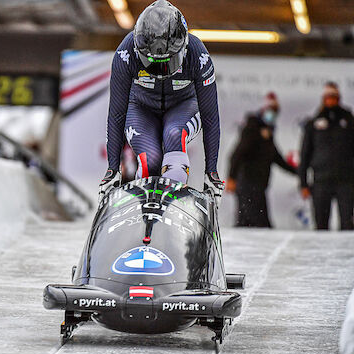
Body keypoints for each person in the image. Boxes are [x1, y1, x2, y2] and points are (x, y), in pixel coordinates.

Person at [99, 0, 223, 202]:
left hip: (183, 105)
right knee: (150, 161)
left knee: (175, 135)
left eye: (168, 62)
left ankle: (172, 205)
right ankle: (143, 211)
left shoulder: (198, 55)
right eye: (152, 63)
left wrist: (211, 172)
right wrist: (113, 169)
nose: (160, 73)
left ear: (183, 49)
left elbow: (210, 116)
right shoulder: (125, 54)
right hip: (141, 107)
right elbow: (117, 114)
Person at [226, 92, 296, 227]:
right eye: (270, 110)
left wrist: (299, 172)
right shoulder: (252, 128)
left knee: (247, 224)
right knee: (259, 224)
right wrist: (231, 178)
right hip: (247, 184)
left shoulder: (268, 134)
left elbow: (277, 158)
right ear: (264, 110)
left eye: (276, 111)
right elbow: (237, 154)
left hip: (258, 186)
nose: (273, 114)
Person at [298, 82, 354, 230]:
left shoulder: (349, 120)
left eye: (334, 97)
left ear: (339, 98)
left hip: (346, 181)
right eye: (328, 97)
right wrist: (303, 183)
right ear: (323, 99)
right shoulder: (314, 122)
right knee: (321, 225)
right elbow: (305, 154)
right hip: (321, 181)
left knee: (348, 224)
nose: (331, 100)